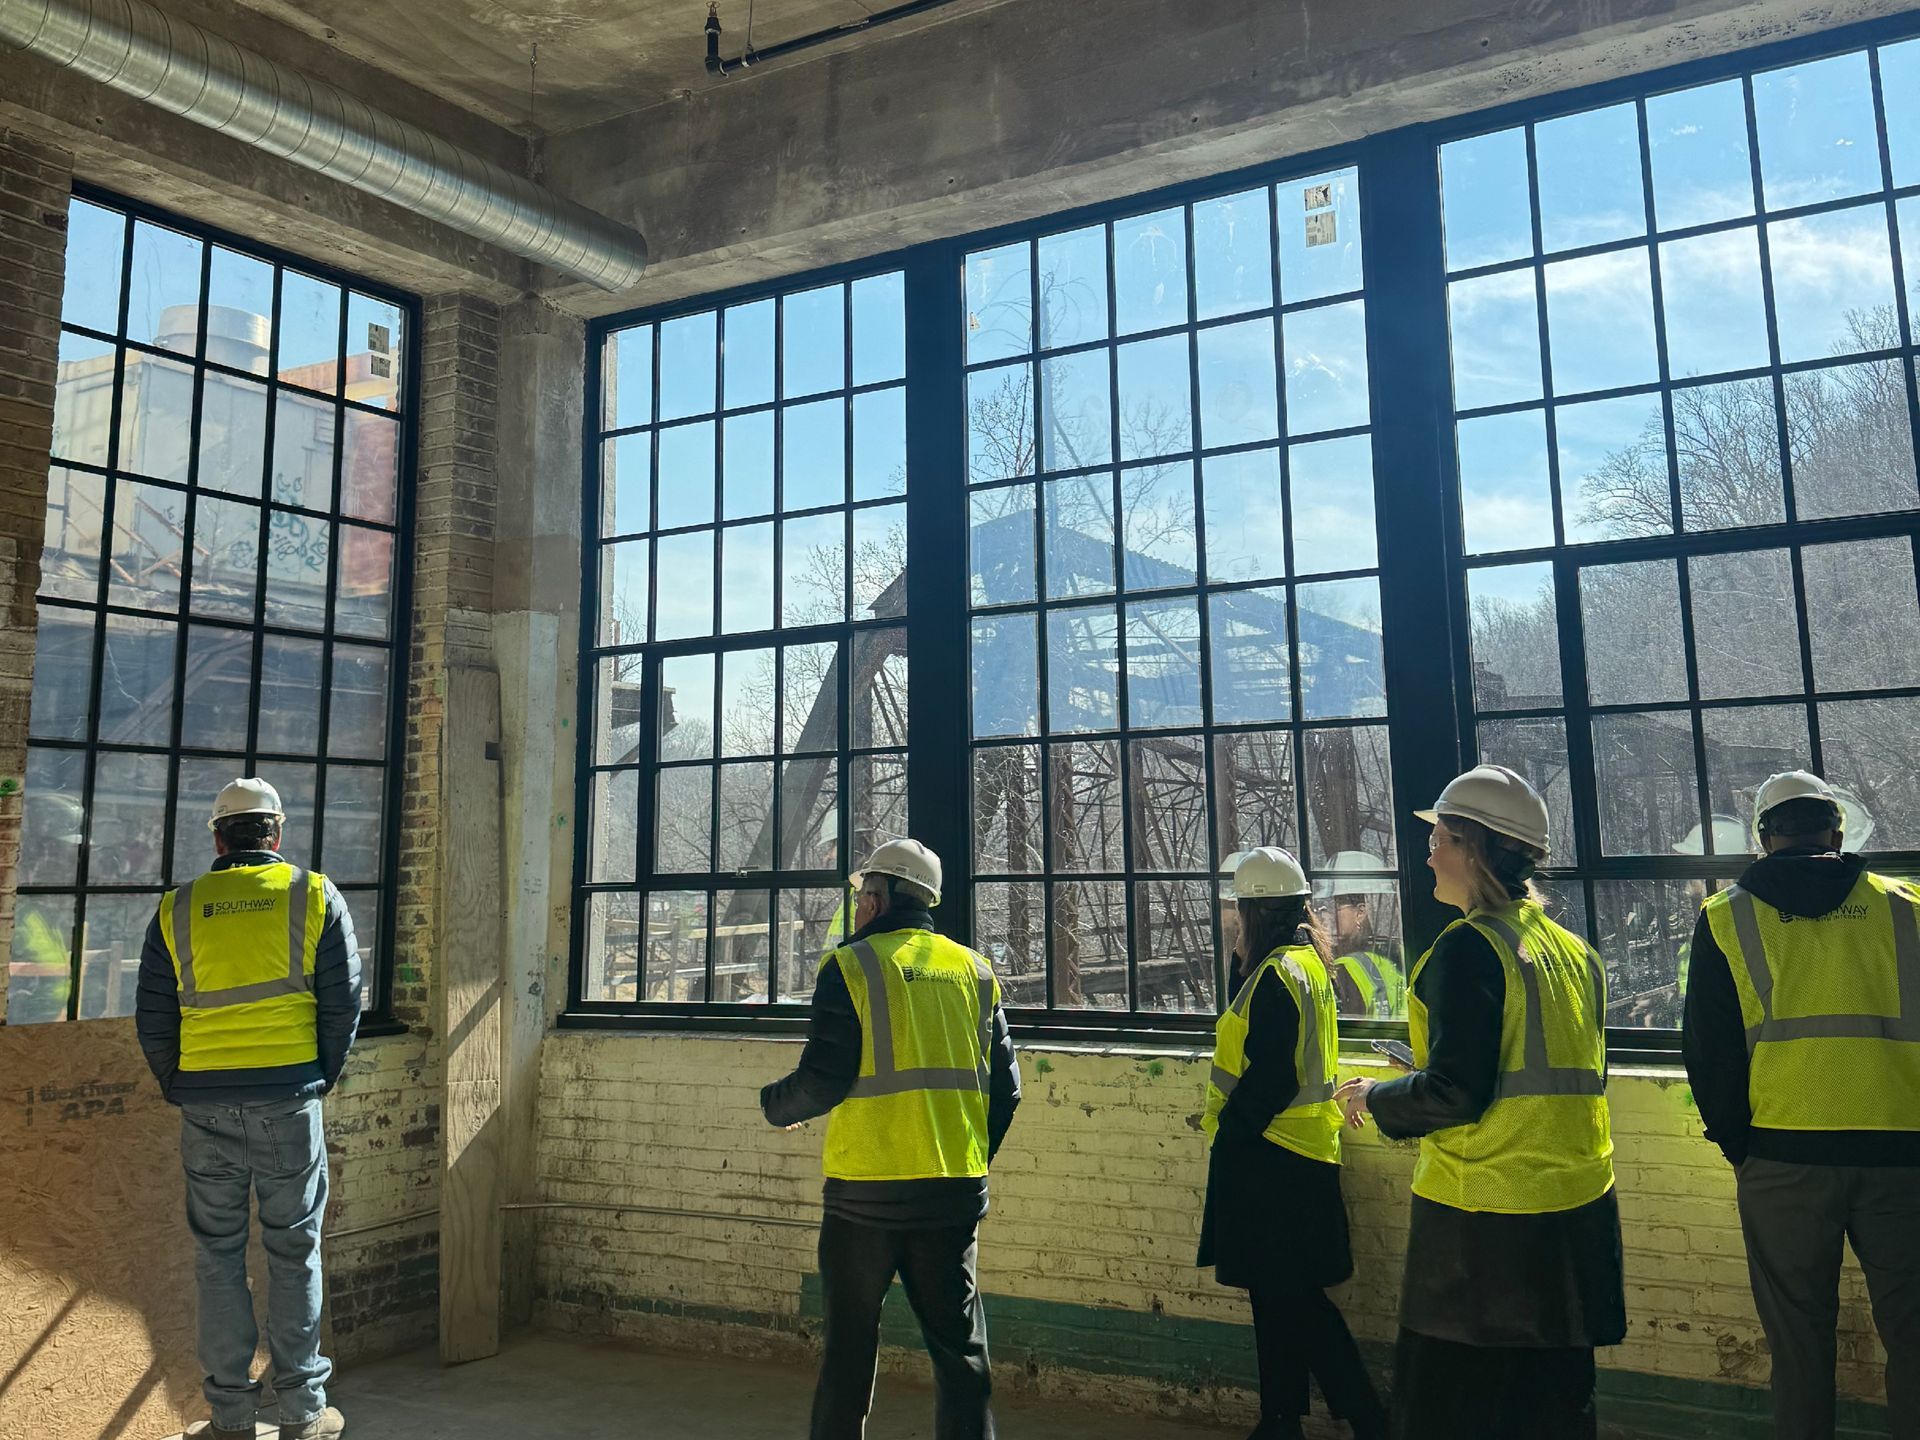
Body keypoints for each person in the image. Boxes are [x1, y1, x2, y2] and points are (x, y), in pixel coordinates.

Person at [1334, 765, 1624, 1440]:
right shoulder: (1574, 953)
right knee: (1551, 1413)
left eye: (1440, 837)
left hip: (1484, 1227)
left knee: (1449, 1414)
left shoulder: (1469, 947)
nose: (1429, 851)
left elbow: (1457, 1093)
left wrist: (1378, 1098)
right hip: (1576, 1217)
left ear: (1475, 848)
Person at [1682, 769, 1920, 1439]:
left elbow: (1709, 1052)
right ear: (1837, 830)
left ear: (1763, 839)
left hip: (1783, 1161)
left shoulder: (1725, 918)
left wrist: (1743, 1148)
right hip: (1904, 1156)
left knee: (1797, 1343)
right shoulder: (1907, 906)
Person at [762, 838, 1021, 1440]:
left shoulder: (850, 967)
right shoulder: (976, 972)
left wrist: (776, 1104)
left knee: (848, 1355)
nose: (858, 910)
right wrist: (968, 1161)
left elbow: (823, 1079)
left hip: (863, 1204)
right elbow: (1007, 1093)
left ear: (876, 901)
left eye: (861, 898)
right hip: (950, 1198)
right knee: (961, 1357)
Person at [135, 778, 362, 1440]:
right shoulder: (314, 894)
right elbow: (343, 1001)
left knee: (218, 1256)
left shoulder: (178, 908)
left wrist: (182, 1083)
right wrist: (318, 1077)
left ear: (217, 838)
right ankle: (302, 1414)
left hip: (206, 1102)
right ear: (277, 834)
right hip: (288, 1098)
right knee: (296, 1251)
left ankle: (231, 1418)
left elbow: (154, 1016)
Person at [1200, 848, 1388, 1440]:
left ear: (1253, 911)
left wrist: (1233, 1132)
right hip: (1302, 1151)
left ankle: (1367, 1416)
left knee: (1295, 1302)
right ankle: (1280, 1418)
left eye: (1237, 910)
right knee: (1279, 1297)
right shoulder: (1304, 964)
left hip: (1271, 1156)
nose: (1231, 919)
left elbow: (1273, 1075)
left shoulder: (1278, 972)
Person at [1319, 850, 1406, 1020]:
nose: (1324, 914)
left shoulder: (1343, 971)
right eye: (1323, 906)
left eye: (1333, 906)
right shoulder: (1397, 954)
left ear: (1360, 913)